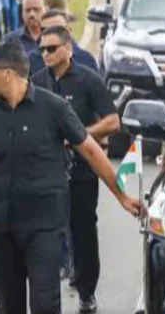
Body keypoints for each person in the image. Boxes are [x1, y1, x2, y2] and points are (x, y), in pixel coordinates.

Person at [0, 38, 141, 314]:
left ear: (8, 74)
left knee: (44, 302)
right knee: (9, 303)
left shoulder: (54, 108)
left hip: (42, 224)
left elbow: (92, 152)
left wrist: (122, 196)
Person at [31, 26, 119, 311]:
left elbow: (112, 122)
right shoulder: (37, 82)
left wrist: (80, 135)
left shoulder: (88, 80)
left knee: (82, 231)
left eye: (52, 48)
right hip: (46, 173)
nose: (46, 54)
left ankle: (86, 291)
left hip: (82, 170)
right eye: (42, 49)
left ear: (68, 49)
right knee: (47, 233)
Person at [28, 9, 98, 74]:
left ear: (68, 30)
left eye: (58, 29)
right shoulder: (30, 61)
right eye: (45, 30)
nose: (51, 34)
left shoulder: (86, 59)